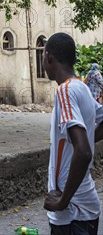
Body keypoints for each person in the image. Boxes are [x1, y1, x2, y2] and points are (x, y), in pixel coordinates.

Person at [42, 32, 103, 235]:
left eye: (43, 55)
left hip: (73, 213)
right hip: (84, 210)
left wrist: (62, 201)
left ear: (49, 57)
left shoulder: (65, 92)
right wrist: (85, 139)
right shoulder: (81, 88)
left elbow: (83, 152)